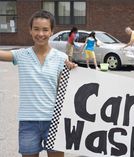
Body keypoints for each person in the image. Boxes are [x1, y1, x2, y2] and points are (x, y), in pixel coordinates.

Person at [0, 10, 77, 157]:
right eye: (36, 29)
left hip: (54, 120)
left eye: (45, 29)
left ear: (51, 31)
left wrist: (74, 73)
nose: (40, 34)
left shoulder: (61, 58)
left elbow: (64, 89)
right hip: (28, 122)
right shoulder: (21, 55)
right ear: (30, 30)